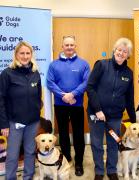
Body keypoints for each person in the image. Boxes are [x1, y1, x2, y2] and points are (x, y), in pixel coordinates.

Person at [87, 37, 136, 180]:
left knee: (113, 144)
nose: (121, 53)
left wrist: (133, 119)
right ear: (114, 50)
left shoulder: (129, 73)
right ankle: (99, 172)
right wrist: (97, 109)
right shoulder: (102, 65)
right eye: (119, 50)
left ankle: (112, 170)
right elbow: (90, 87)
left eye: (125, 51)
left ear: (128, 55)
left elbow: (129, 98)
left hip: (115, 116)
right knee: (97, 144)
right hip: (96, 114)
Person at [46, 35, 90, 176]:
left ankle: (78, 163)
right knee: (63, 134)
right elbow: (50, 82)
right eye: (67, 45)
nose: (69, 47)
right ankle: (66, 159)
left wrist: (72, 95)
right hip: (60, 105)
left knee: (78, 134)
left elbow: (86, 82)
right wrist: (64, 96)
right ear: (62, 46)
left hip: (77, 105)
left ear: (75, 46)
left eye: (72, 45)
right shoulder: (54, 65)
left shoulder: (83, 64)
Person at [0, 41, 42, 180]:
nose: (25, 56)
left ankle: (28, 176)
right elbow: (1, 99)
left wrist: (37, 112)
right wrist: (4, 124)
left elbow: (38, 95)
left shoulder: (35, 73)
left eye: (28, 53)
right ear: (16, 55)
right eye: (22, 53)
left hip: (32, 122)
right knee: (12, 155)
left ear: (31, 54)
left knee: (30, 152)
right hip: (14, 123)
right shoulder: (7, 73)